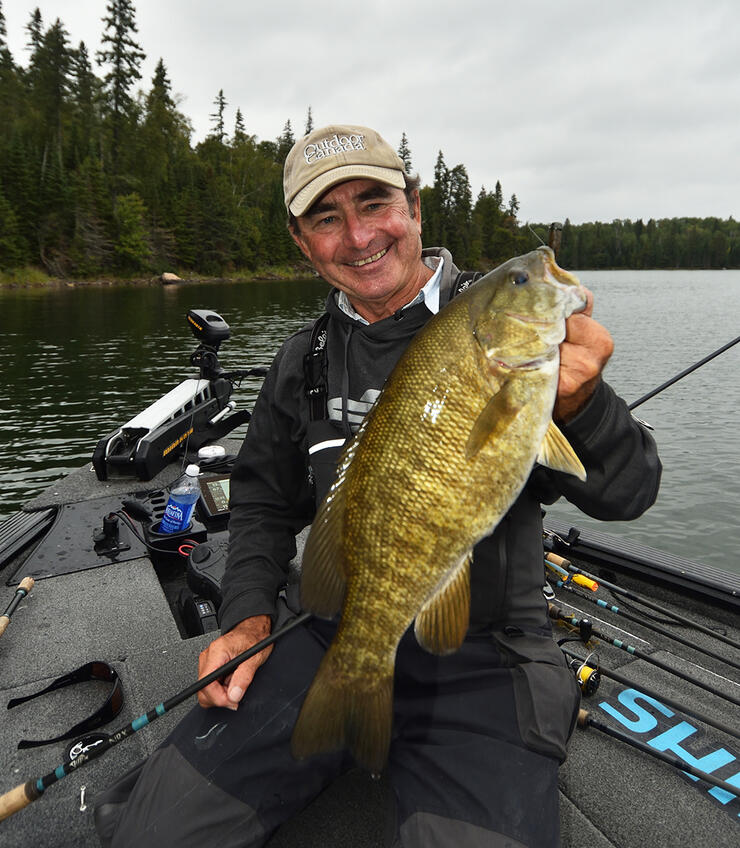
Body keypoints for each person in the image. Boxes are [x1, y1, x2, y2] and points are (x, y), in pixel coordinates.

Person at [95, 124, 661, 847]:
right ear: (303, 242)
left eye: (374, 203)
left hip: (486, 655)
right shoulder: (303, 359)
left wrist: (585, 408)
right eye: (327, 218)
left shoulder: (496, 330)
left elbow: (629, 493)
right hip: (333, 626)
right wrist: (245, 617)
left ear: (415, 208)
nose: (359, 235)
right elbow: (264, 501)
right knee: (155, 833)